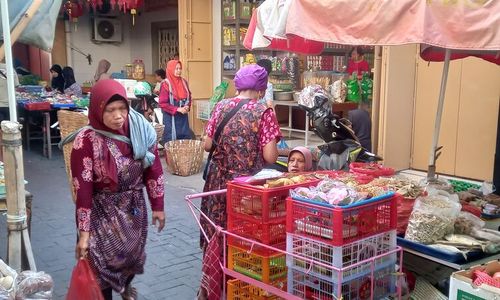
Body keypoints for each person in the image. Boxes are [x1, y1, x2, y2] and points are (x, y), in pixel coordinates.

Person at [70, 79, 165, 300]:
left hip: (133, 209)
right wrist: (84, 234)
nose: (118, 116)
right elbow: (82, 189)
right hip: (100, 212)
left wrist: (158, 206)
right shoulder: (85, 140)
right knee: (99, 265)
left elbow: (154, 170)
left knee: (130, 258)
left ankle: (124, 287)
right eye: (110, 110)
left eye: (122, 108)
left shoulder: (140, 130)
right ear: (97, 109)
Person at [198, 64, 280, 299]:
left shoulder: (222, 106)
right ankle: (239, 285)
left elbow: (206, 145)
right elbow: (270, 156)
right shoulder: (263, 111)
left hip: (217, 182)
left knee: (215, 231)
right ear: (262, 88)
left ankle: (210, 283)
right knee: (242, 234)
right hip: (245, 188)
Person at [158, 60, 192, 143]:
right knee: (171, 143)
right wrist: (177, 109)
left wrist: (187, 106)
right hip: (171, 119)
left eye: (180, 68)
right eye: (176, 69)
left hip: (183, 119)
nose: (179, 71)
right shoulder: (165, 84)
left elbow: (189, 96)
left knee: (184, 141)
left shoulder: (184, 82)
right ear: (170, 69)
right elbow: (163, 104)